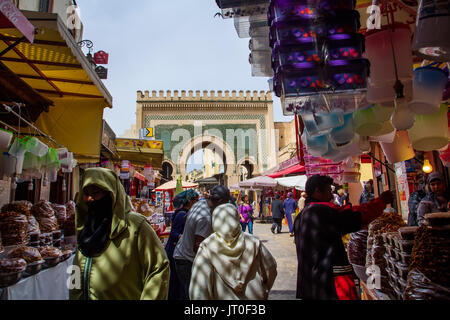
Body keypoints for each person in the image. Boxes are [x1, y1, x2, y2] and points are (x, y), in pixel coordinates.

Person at [70, 168, 170, 300]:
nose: (90, 199)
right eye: (86, 193)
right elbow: (76, 275)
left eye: (96, 193)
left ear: (111, 194)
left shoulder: (135, 226)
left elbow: (158, 270)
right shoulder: (86, 227)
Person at [294, 174, 394, 300]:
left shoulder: (302, 215)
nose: (331, 196)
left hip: (310, 281)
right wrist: (380, 202)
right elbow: (355, 216)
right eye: (328, 191)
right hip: (329, 281)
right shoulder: (321, 211)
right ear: (317, 191)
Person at [189, 202, 277, 300]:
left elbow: (198, 291)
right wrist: (264, 289)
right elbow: (271, 269)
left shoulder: (208, 247)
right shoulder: (253, 242)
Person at [173, 185, 231, 300]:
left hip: (181, 254)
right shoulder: (205, 217)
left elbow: (185, 218)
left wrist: (188, 234)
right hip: (187, 261)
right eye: (225, 203)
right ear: (219, 201)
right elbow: (198, 247)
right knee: (194, 296)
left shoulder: (200, 203)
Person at [165, 189, 199, 300]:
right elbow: (174, 233)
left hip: (178, 251)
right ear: (190, 201)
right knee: (177, 283)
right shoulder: (182, 214)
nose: (197, 203)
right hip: (175, 252)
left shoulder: (186, 213)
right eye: (196, 200)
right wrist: (187, 238)